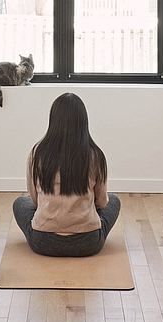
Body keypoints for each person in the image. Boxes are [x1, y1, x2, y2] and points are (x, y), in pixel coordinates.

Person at [12, 93, 121, 257]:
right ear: (83, 122)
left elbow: (34, 198)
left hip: (43, 241)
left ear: (53, 120)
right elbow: (102, 201)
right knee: (114, 200)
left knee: (20, 203)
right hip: (88, 242)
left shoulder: (37, 152)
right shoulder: (95, 155)